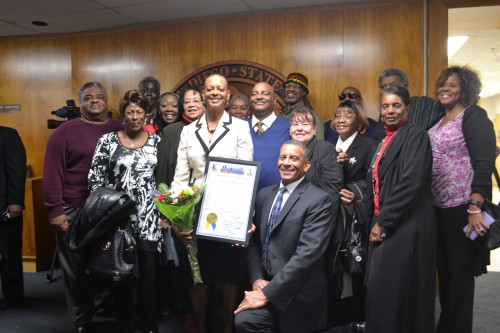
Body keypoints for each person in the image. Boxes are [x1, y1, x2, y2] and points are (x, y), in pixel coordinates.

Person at [172, 74, 253, 333]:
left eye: (220, 89)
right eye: (210, 89)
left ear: (228, 95)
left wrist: (245, 218)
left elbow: (247, 173)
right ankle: (203, 327)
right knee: (198, 276)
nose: (215, 92)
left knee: (229, 274)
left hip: (229, 209)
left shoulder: (240, 127)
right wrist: (178, 218)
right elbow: (180, 178)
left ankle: (229, 327)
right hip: (195, 212)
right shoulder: (188, 130)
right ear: (203, 95)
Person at [43, 82, 123, 333]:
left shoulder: (119, 128)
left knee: (109, 262)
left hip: (109, 211)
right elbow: (52, 174)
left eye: (100, 97)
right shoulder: (64, 132)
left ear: (107, 102)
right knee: (75, 269)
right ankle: (81, 319)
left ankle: (103, 304)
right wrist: (55, 211)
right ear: (81, 103)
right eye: (88, 97)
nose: (95, 101)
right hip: (74, 210)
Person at [234, 140, 334, 333]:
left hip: (298, 292)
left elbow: (307, 256)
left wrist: (268, 294)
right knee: (245, 321)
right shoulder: (263, 195)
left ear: (306, 166)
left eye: (294, 158)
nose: (286, 163)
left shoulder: (319, 201)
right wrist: (256, 280)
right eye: (283, 157)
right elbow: (254, 241)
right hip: (265, 284)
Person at [88, 89, 163, 333]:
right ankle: (125, 324)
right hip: (117, 217)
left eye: (139, 112)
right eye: (130, 112)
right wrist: (107, 211)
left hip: (148, 217)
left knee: (149, 274)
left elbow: (162, 180)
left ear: (146, 115)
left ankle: (150, 324)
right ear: (123, 114)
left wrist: (164, 212)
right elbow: (94, 180)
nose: (134, 116)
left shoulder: (155, 141)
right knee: (120, 272)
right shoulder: (107, 141)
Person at [364, 86, 436, 333]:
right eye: (385, 106)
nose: (390, 111)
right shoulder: (383, 139)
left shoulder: (416, 136)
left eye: (396, 105)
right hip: (385, 219)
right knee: (382, 291)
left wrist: (383, 221)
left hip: (405, 223)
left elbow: (411, 182)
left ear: (408, 108)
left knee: (395, 293)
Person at [429, 66, 495, 333]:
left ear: (465, 89)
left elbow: (483, 162)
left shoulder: (474, 116)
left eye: (452, 85)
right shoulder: (437, 119)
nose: (445, 89)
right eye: (442, 84)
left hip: (463, 209)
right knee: (444, 275)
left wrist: (475, 205)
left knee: (460, 276)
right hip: (437, 209)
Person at [155, 86, 206, 331]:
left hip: (209, 209)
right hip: (181, 211)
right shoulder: (174, 130)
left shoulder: (214, 129)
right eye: (187, 101)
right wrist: (166, 214)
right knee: (186, 267)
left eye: (197, 100)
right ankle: (190, 312)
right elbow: (163, 175)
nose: (192, 104)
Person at [329, 100, 377, 328]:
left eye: (347, 115)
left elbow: (373, 181)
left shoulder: (368, 146)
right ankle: (336, 314)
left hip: (355, 215)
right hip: (331, 214)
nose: (340, 119)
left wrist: (354, 192)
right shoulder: (327, 145)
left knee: (355, 262)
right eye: (337, 115)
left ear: (358, 122)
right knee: (334, 264)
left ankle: (358, 315)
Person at [375, 68, 444, 140]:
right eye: (383, 87)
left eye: (392, 85)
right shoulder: (385, 111)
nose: (387, 89)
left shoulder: (425, 105)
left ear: (405, 87)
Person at [0, 127, 26, 310]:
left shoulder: (8, 135)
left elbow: (17, 170)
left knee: (9, 255)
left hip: (5, 206)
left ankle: (13, 298)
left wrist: (16, 201)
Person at [248, 82, 290, 190]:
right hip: (242, 194)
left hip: (277, 196)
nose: (259, 97)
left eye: (265, 93)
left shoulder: (289, 126)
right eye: (255, 93)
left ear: (274, 99)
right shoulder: (239, 126)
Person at [279, 72, 324, 140]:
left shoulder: (311, 116)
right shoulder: (280, 115)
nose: (291, 89)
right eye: (288, 86)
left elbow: (319, 147)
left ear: (304, 92)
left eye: (296, 86)